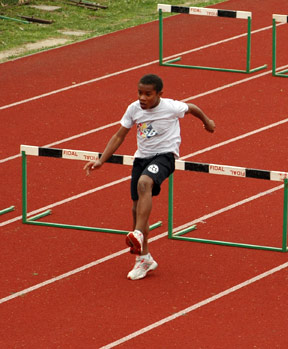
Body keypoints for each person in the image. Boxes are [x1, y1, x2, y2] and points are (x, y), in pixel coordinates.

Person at [83, 74, 215, 280]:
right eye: (139, 93)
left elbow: (192, 107)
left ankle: (137, 233)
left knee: (145, 184)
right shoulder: (134, 109)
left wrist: (207, 121)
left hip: (165, 157)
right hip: (141, 159)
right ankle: (143, 259)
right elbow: (119, 135)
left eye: (148, 94)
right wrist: (101, 160)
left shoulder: (171, 107)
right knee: (137, 209)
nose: (142, 98)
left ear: (159, 94)